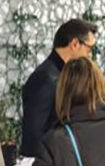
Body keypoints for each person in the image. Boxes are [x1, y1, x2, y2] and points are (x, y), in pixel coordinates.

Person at [21, 18, 97, 158]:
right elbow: (34, 135)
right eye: (89, 48)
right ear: (75, 44)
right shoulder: (46, 78)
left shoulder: (60, 74)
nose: (90, 55)